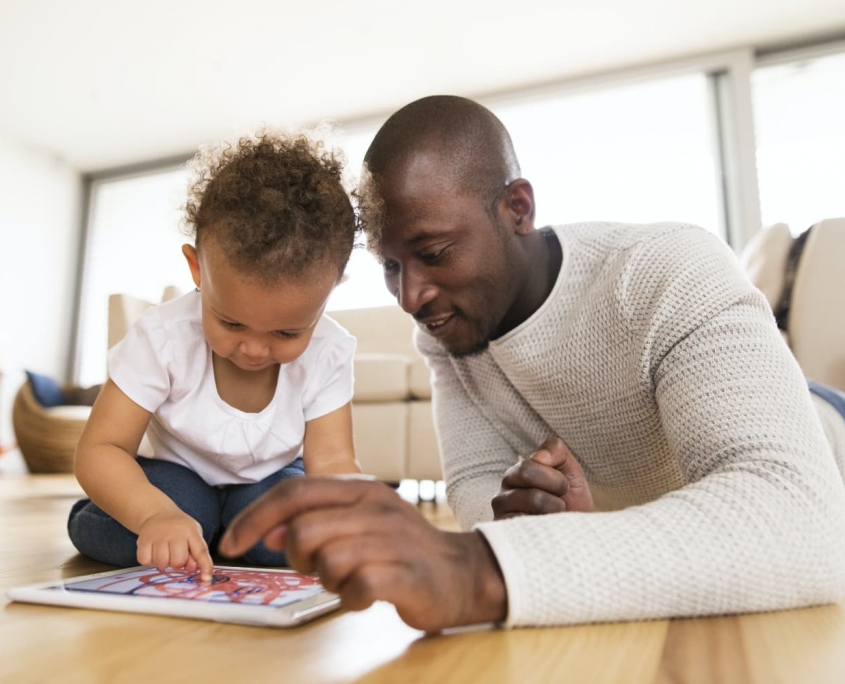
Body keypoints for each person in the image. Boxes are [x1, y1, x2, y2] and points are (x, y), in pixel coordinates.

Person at [219, 96, 845, 631]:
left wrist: (481, 569)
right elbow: (475, 489)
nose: (410, 297)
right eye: (390, 266)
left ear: (518, 209)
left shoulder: (667, 271)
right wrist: (530, 522)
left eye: (433, 252)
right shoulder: (449, 332)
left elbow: (804, 521)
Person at [69, 131, 362, 582]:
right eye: (231, 323)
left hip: (269, 484)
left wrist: (353, 516)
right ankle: (189, 527)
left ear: (331, 290)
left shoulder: (330, 351)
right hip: (175, 481)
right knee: (157, 522)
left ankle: (220, 535)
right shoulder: (163, 336)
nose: (254, 349)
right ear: (197, 269)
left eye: (286, 331)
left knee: (286, 529)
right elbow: (100, 449)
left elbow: (334, 465)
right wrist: (153, 516)